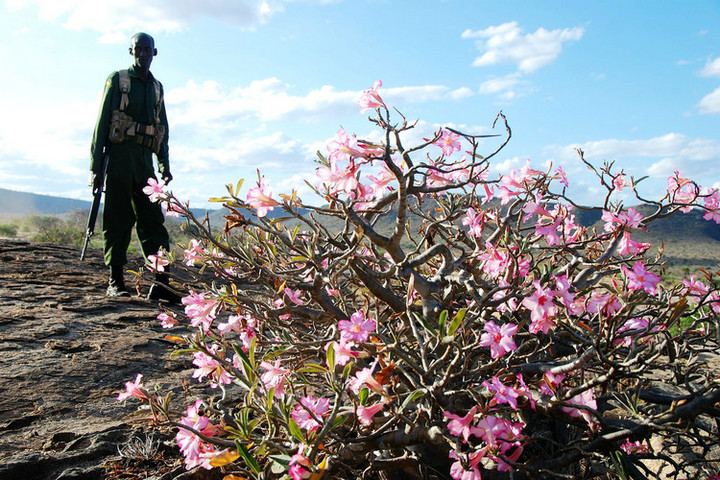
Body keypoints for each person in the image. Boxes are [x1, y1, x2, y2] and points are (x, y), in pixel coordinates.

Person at [89, 32, 179, 303]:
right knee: (118, 219)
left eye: (146, 50)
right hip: (118, 159)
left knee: (153, 221)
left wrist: (164, 164)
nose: (142, 54)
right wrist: (95, 166)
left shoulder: (157, 88)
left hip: (144, 163)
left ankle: (162, 282)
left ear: (155, 53)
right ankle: (115, 281)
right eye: (137, 49)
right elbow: (101, 123)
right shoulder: (117, 80)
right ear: (131, 52)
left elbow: (161, 128)